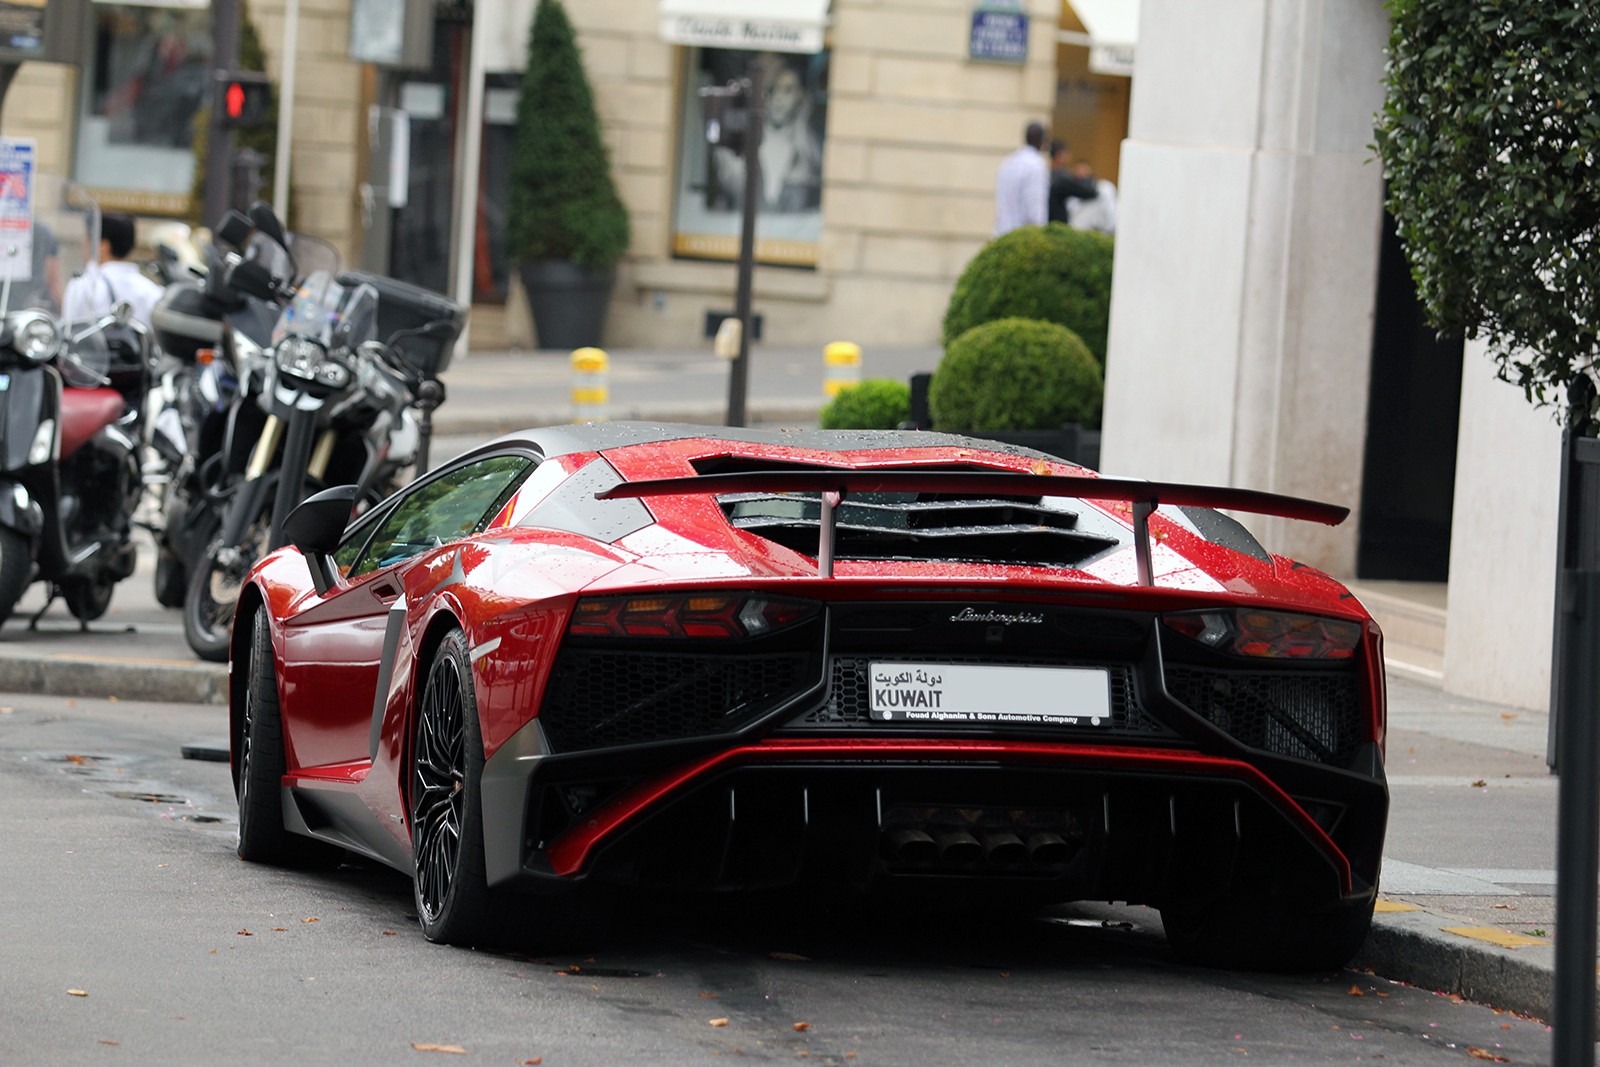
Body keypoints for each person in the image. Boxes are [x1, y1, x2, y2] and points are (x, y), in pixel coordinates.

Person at [709, 55, 824, 214]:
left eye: (787, 90)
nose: (778, 98)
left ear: (801, 95)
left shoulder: (810, 152)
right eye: (772, 90)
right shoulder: (737, 147)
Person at [61, 212, 164, 329]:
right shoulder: (151, 291)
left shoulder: (83, 285)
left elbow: (68, 332)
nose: (83, 244)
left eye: (87, 239)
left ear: (103, 246)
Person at [994, 121, 1049, 236]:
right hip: (1022, 236)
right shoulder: (1036, 165)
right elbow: (1034, 205)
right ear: (1042, 140)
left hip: (1002, 232)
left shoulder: (1008, 162)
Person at [1047, 140, 1099, 225]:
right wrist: (1087, 177)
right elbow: (1089, 192)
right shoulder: (1061, 178)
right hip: (1058, 224)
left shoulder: (1048, 174)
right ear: (1060, 155)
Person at [1066, 161, 1117, 235]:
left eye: (1084, 171)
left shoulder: (1104, 188)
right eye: (1078, 171)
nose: (1081, 174)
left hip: (1101, 232)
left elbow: (1110, 212)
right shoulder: (1070, 194)